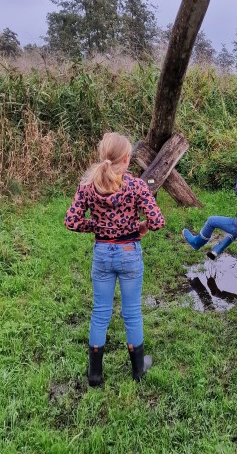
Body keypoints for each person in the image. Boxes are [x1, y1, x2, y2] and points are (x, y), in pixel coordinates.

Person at [64, 132, 165, 386]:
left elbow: (72, 221)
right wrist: (140, 227)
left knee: (100, 314)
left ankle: (95, 375)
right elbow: (158, 221)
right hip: (129, 253)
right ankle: (138, 370)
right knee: (132, 313)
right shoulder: (136, 186)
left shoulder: (88, 186)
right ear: (127, 158)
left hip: (102, 253)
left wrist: (97, 227)